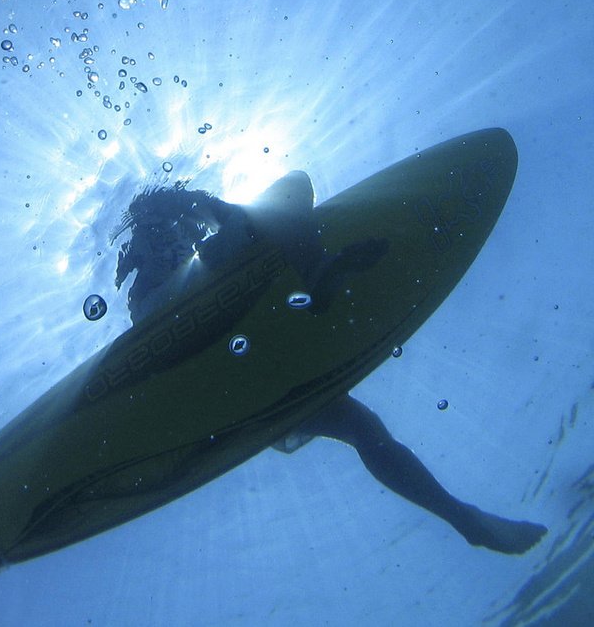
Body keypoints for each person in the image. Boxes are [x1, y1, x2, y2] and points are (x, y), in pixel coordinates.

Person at [111, 174, 547, 555]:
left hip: (243, 354)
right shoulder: (152, 227)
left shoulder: (177, 226)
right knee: (285, 193)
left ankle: (463, 518)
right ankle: (317, 273)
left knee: (361, 427)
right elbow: (153, 289)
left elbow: (229, 215)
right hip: (179, 326)